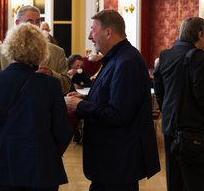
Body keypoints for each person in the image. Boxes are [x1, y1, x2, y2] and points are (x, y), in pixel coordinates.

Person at [65, 10, 160, 191]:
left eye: (93, 30)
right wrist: (86, 97)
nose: (89, 36)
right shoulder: (118, 57)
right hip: (111, 162)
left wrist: (81, 106)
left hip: (118, 162)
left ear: (108, 32)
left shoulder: (127, 61)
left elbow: (118, 114)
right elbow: (112, 96)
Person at [0, 23, 73, 191]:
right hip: (41, 166)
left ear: (9, 48)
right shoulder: (51, 85)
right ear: (42, 51)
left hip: (3, 166)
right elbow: (63, 131)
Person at [153, 17, 204, 191]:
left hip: (169, 129)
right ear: (200, 33)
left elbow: (158, 88)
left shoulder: (165, 55)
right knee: (194, 183)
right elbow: (201, 96)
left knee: (174, 182)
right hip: (194, 132)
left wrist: (168, 110)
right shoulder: (200, 58)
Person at [0, 5, 71, 95]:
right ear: (17, 23)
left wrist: (51, 74)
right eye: (30, 22)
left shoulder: (57, 52)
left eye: (38, 22)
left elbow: (66, 87)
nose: (35, 26)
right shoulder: (0, 51)